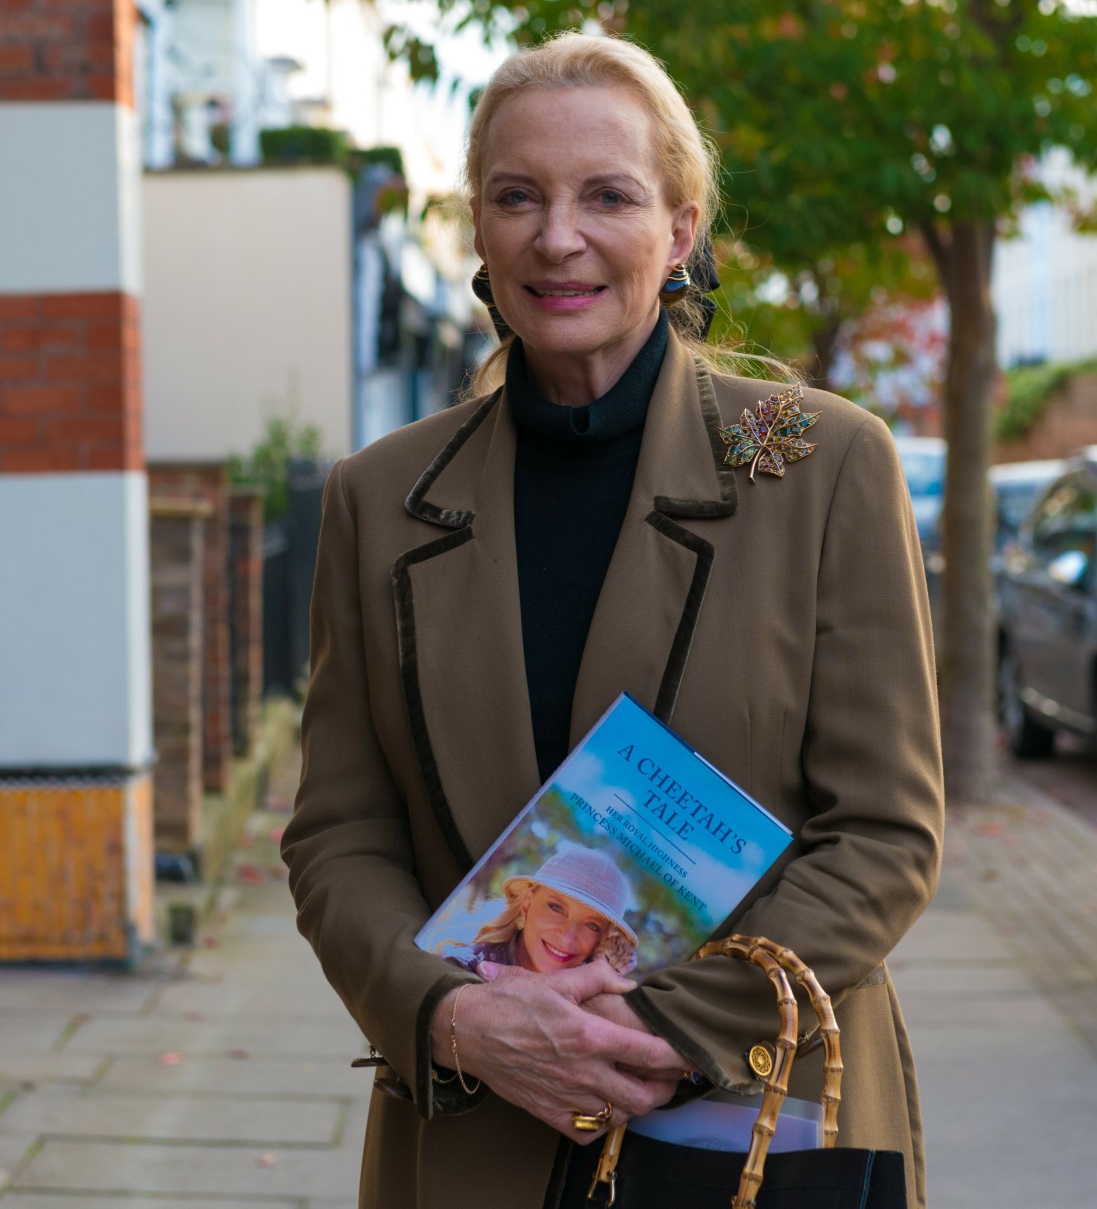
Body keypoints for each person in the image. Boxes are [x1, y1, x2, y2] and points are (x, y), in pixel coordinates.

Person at [281, 30, 943, 1209]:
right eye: (516, 196)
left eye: (608, 196)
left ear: (678, 228)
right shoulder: (375, 499)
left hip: (755, 1123)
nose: (557, 236)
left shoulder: (824, 468)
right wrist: (453, 1018)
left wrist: (648, 1030)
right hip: (475, 1128)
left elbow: (883, 834)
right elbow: (339, 835)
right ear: (476, 226)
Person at [438, 846, 640, 975]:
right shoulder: (461, 969)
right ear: (527, 904)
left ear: (602, 942)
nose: (568, 937)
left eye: (592, 925)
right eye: (556, 908)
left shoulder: (593, 1015)